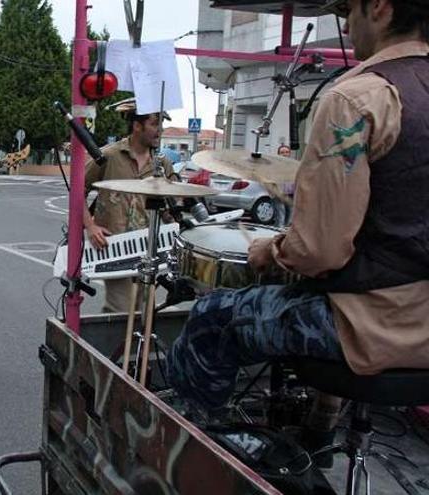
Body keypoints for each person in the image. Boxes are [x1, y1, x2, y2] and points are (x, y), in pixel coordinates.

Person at [167, 0, 429, 431]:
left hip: (374, 329)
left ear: (380, 7)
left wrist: (271, 249)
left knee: (212, 319)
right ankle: (318, 431)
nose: (346, 25)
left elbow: (318, 251)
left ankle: (191, 454)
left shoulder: (358, 98)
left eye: (349, 11)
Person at [83, 98, 174, 313]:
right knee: (121, 310)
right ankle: (112, 345)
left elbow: (172, 209)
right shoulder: (108, 156)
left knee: (146, 314)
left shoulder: (162, 164)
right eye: (154, 124)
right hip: (115, 248)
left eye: (161, 124)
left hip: (149, 250)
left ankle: (136, 347)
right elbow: (77, 190)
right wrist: (90, 226)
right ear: (137, 125)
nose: (159, 130)